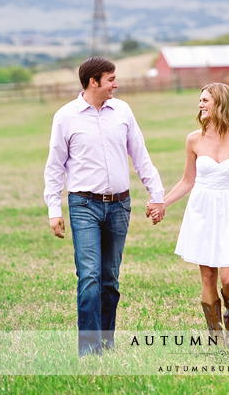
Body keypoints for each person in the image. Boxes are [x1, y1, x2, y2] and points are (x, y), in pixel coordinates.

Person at [44, 56, 165, 356]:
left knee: (110, 280)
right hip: (83, 205)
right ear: (92, 82)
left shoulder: (122, 111)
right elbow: (54, 167)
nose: (116, 84)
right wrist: (54, 209)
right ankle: (89, 349)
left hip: (120, 206)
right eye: (111, 79)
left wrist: (157, 193)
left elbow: (140, 155)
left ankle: (106, 344)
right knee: (89, 277)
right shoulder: (65, 117)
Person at [153, 82, 229, 335]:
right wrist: (162, 203)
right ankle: (216, 334)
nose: (200, 105)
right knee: (208, 277)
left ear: (220, 103)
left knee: (228, 279)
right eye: (200, 100)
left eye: (205, 101)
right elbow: (187, 180)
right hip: (201, 209)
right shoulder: (194, 139)